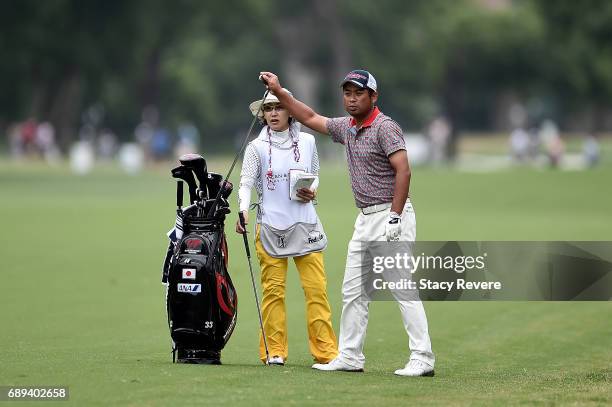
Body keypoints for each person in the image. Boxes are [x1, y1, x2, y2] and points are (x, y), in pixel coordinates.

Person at [258, 70, 435, 377]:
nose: (352, 99)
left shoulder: (385, 127)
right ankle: (351, 355)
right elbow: (311, 116)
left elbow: (403, 171)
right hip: (365, 218)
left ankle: (423, 357)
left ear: (373, 96)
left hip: (391, 216)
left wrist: (395, 216)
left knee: (400, 288)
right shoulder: (348, 127)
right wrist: (280, 92)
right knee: (353, 292)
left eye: (359, 94)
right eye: (348, 94)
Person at [235, 89, 338, 366]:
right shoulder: (256, 148)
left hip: (305, 223)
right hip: (270, 225)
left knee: (316, 291)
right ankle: (274, 351)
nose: (273, 113)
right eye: (268, 109)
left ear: (290, 111)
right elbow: (245, 183)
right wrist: (243, 211)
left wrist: (312, 191)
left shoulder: (307, 142)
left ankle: (327, 353)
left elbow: (314, 175)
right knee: (273, 292)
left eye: (278, 108)